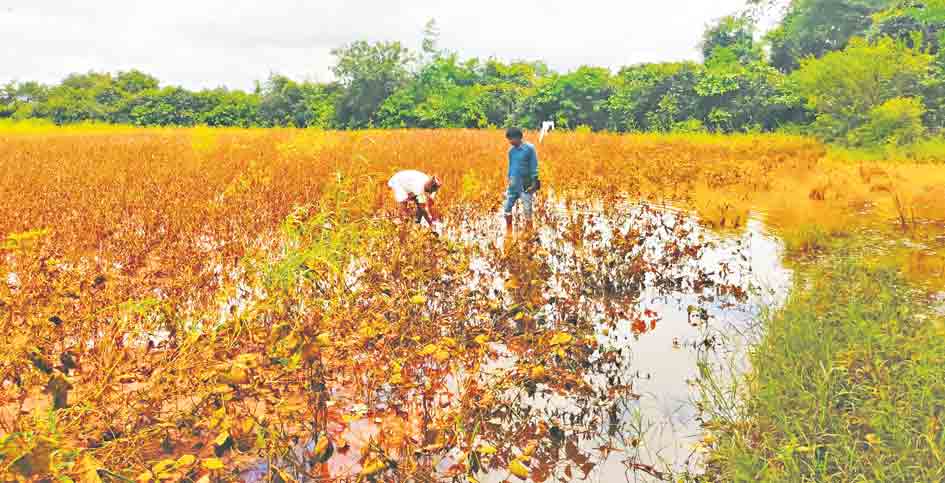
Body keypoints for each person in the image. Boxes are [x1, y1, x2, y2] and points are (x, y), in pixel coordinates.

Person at [503, 127, 540, 232]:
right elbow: (511, 167)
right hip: (513, 184)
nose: (510, 141)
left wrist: (535, 183)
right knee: (507, 207)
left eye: (512, 139)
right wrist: (509, 179)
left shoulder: (529, 148)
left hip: (526, 184)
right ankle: (509, 231)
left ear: (519, 137)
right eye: (509, 139)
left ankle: (529, 232)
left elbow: (534, 166)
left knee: (527, 209)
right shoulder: (511, 151)